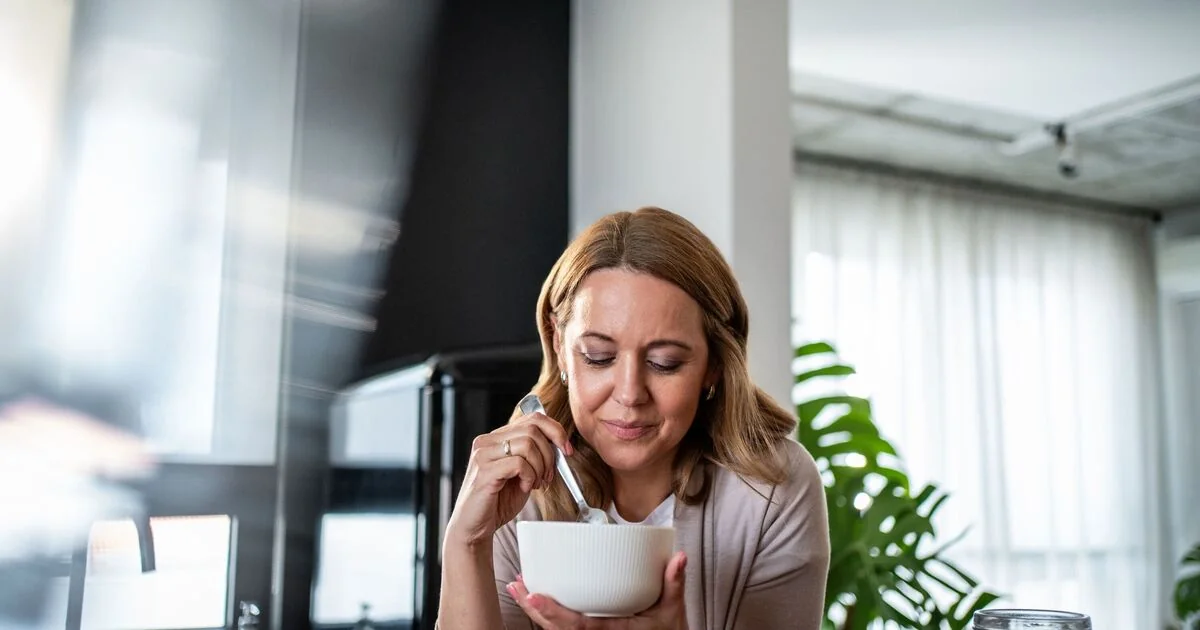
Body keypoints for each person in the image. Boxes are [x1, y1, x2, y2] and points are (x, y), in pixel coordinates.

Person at [437, 207, 830, 630]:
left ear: (713, 364)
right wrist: (466, 541)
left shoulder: (772, 488)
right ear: (558, 342)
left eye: (665, 363)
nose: (628, 394)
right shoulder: (520, 487)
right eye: (598, 357)